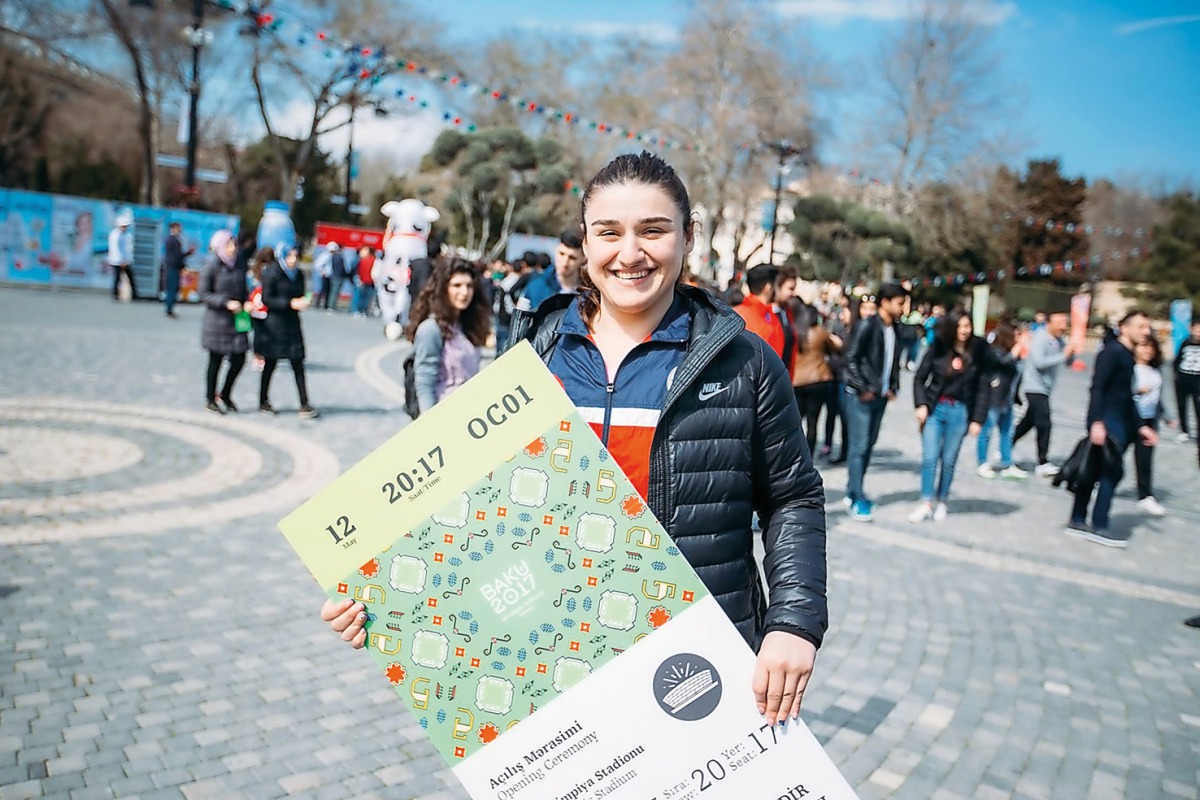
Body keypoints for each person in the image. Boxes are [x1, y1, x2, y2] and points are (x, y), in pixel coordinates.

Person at [320, 151, 828, 727]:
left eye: (654, 231)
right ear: (585, 244)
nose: (629, 253)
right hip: (553, 662)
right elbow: (462, 505)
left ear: (689, 237)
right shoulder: (535, 357)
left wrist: (793, 621)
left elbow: (794, 498)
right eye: (609, 233)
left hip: (694, 661)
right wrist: (379, 592)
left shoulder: (746, 362)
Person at [1066, 311, 1158, 548]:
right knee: (1111, 472)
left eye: (1147, 327)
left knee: (1094, 470)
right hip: (1107, 420)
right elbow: (1097, 388)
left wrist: (1140, 427)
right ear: (1124, 328)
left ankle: (1077, 519)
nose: (1145, 331)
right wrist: (1096, 422)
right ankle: (1099, 524)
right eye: (1141, 326)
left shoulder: (1127, 355)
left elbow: (1127, 396)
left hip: (1120, 420)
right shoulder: (1112, 352)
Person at [909, 309, 988, 522]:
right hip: (936, 408)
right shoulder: (939, 347)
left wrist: (978, 419)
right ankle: (926, 502)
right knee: (929, 458)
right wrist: (921, 405)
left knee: (949, 459)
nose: (964, 331)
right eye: (960, 326)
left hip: (961, 411)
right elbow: (919, 378)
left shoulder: (977, 351)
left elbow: (983, 387)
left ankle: (942, 500)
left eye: (967, 326)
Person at [843, 283, 908, 521]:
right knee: (858, 447)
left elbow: (893, 361)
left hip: (880, 397)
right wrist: (863, 388)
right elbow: (850, 359)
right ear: (885, 302)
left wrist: (892, 386)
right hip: (861, 396)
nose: (903, 308)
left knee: (868, 446)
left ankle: (853, 490)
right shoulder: (867, 325)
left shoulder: (896, 329)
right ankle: (857, 496)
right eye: (900, 303)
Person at [407, 259, 490, 414]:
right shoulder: (431, 329)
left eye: (469, 286)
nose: (464, 292)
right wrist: (430, 424)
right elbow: (425, 382)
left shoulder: (468, 327)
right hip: (443, 415)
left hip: (468, 415)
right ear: (443, 288)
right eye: (457, 285)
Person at [1013, 311, 1077, 476]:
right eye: (1059, 323)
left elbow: (1068, 362)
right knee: (1044, 423)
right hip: (1034, 387)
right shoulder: (1040, 337)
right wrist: (1063, 355)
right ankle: (1042, 462)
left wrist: (1071, 352)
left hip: (1046, 389)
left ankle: (1006, 445)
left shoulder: (1059, 340)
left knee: (1028, 423)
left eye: (1065, 323)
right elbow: (1039, 362)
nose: (1063, 326)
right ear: (1049, 323)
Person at [259, 246, 318, 418]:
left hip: (292, 324)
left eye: (296, 256)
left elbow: (300, 293)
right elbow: (267, 298)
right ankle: (263, 400)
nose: (293, 260)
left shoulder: (298, 274)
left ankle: (304, 403)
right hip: (275, 324)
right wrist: (290, 303)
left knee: (298, 362)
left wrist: (303, 301)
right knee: (270, 363)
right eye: (290, 255)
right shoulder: (272, 272)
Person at [199, 230, 250, 414]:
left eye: (234, 245)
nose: (232, 249)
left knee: (240, 358)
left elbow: (244, 289)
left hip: (237, 320)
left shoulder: (239, 265)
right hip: (217, 322)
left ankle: (226, 393)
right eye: (229, 245)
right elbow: (204, 294)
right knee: (216, 361)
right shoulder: (211, 266)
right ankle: (210, 398)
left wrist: (247, 303)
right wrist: (225, 303)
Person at [976, 320, 1028, 479]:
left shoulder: (1014, 354)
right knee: (986, 431)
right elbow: (1002, 362)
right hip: (994, 397)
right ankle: (982, 462)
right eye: (1017, 334)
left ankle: (1007, 462)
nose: (1020, 338)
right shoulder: (995, 350)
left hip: (1007, 399)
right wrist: (1015, 351)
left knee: (1007, 432)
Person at [790, 301, 841, 455]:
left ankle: (793, 452)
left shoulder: (795, 331)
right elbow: (836, 348)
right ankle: (809, 454)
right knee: (813, 422)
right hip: (818, 379)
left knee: (795, 421)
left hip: (796, 380)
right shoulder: (821, 332)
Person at [1133, 335, 1172, 517]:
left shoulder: (1155, 372)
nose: (1147, 350)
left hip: (1149, 419)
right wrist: (1136, 391)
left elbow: (1157, 398)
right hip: (1129, 417)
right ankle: (1097, 482)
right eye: (1143, 346)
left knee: (1145, 460)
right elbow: (1119, 393)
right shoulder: (1130, 369)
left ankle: (1145, 496)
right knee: (1113, 456)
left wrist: (1166, 416)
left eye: (1151, 347)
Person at [518, 229, 586, 311]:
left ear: (583, 260)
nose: (565, 262)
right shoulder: (536, 285)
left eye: (572, 258)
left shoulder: (589, 294)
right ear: (556, 250)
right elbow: (520, 320)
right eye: (561, 254)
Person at [735, 264, 785, 359]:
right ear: (769, 288)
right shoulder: (742, 317)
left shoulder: (769, 314)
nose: (779, 291)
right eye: (777, 286)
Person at [247, 247, 275, 372]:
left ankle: (257, 356)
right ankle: (261, 355)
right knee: (265, 334)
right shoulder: (273, 271)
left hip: (255, 305)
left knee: (258, 334)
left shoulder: (253, 271)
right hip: (264, 306)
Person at [1173, 321, 1200, 443]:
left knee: (1198, 407)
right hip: (1183, 378)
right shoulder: (1186, 342)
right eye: (1196, 330)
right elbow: (1178, 358)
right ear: (1191, 329)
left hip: (1197, 379)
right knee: (1182, 405)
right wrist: (1176, 373)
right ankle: (1184, 431)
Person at [162, 222, 192, 318]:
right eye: (178, 228)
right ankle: (169, 309)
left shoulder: (173, 240)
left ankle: (169, 308)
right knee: (172, 288)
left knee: (173, 288)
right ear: (173, 228)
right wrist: (184, 261)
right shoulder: (172, 240)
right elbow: (176, 256)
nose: (180, 230)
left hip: (173, 267)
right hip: (172, 267)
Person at [774, 267, 799, 375]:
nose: (793, 293)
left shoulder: (788, 312)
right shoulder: (767, 315)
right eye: (790, 288)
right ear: (778, 287)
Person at [108, 212, 135, 300]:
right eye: (123, 226)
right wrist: (121, 261)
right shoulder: (115, 235)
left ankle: (134, 294)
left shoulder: (128, 235)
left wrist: (128, 259)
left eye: (126, 226)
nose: (124, 228)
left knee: (130, 277)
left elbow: (129, 248)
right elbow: (116, 249)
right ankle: (115, 294)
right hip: (117, 260)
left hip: (126, 260)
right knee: (117, 278)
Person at [351, 245, 377, 317]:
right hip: (364, 280)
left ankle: (360, 310)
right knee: (361, 296)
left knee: (364, 297)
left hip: (368, 281)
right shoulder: (361, 260)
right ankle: (359, 310)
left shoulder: (371, 260)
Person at [326, 243, 352, 311]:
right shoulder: (340, 257)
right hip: (339, 276)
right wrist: (346, 274)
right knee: (335, 291)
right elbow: (342, 268)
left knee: (333, 291)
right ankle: (331, 305)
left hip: (334, 275)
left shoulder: (334, 256)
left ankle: (331, 305)